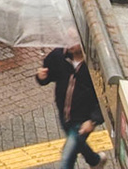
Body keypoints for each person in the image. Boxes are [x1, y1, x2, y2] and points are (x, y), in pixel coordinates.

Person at [38, 41, 104, 169]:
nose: (69, 44)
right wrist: (41, 77)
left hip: (83, 120)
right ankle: (95, 161)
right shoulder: (59, 55)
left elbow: (104, 97)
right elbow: (48, 75)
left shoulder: (95, 65)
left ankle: (95, 161)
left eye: (74, 40)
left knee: (67, 158)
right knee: (77, 144)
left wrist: (93, 120)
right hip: (64, 115)